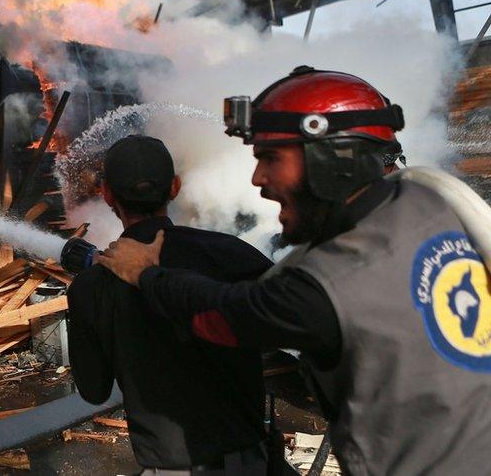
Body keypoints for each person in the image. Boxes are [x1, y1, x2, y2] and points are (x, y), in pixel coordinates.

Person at [96, 66, 491, 475]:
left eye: (271, 158)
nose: (258, 178)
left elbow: (222, 316)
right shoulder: (431, 203)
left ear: (332, 159)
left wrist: (145, 273)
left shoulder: (328, 286)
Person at [67, 135, 274, 475]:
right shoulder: (230, 253)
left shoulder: (90, 287)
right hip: (250, 462)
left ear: (107, 195)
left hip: (169, 467)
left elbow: (93, 390)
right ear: (175, 187)